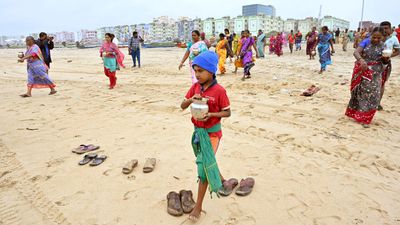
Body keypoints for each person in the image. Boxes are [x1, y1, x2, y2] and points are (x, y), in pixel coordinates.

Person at [180, 51, 231, 221]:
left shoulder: (219, 91)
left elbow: (227, 112)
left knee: (203, 170)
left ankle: (198, 207)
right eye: (195, 70)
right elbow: (182, 105)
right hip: (197, 133)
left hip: (212, 134)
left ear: (211, 71)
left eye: (201, 71)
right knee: (206, 160)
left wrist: (212, 115)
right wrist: (190, 100)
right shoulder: (195, 87)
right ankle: (223, 179)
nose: (197, 74)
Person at [345, 27, 387, 128]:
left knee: (375, 95)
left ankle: (367, 117)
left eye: (379, 38)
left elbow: (385, 60)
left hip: (376, 73)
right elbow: (356, 52)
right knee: (363, 94)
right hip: (364, 71)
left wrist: (385, 59)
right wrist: (361, 60)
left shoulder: (383, 45)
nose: (376, 40)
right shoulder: (366, 42)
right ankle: (361, 117)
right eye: (374, 37)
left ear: (382, 37)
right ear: (371, 35)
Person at [378, 21, 400, 110]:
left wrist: (389, 56)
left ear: (390, 29)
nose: (384, 30)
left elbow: (398, 51)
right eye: (383, 28)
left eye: (386, 28)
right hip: (373, 63)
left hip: (385, 64)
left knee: (381, 83)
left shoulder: (393, 39)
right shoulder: (376, 36)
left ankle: (378, 103)